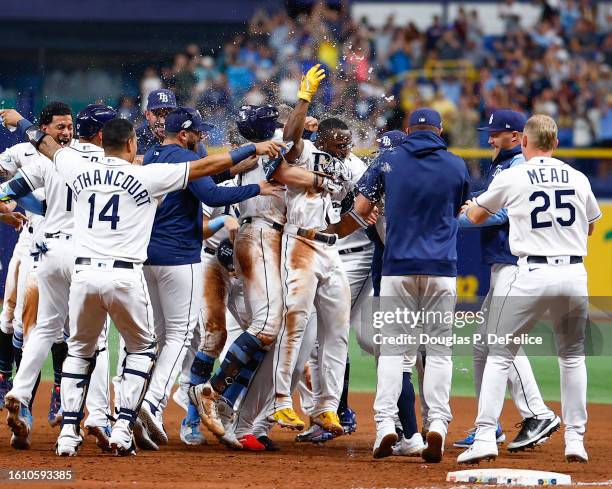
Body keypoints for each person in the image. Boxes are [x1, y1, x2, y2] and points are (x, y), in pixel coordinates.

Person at [0, 111, 284, 456]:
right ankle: (122, 427)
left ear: (104, 144)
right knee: (143, 350)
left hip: (85, 275)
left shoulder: (76, 166)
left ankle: (69, 434)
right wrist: (251, 148)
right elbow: (205, 169)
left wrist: (20, 124)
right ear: (132, 143)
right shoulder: (146, 176)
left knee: (78, 352)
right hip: (124, 275)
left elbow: (43, 143)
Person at [458, 114, 601, 464]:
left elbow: (475, 217)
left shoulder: (514, 174)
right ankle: (575, 440)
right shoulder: (578, 176)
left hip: (532, 272)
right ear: (554, 143)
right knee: (571, 358)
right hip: (572, 273)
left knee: (499, 353)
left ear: (524, 142)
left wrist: (470, 207)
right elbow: (592, 228)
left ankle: (485, 439)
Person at [134, 106, 279, 449]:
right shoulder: (190, 166)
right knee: (189, 337)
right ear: (185, 135)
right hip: (190, 257)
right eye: (199, 133)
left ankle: (133, 408)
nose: (204, 139)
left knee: (158, 338)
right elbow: (211, 195)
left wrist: (239, 164)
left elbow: (214, 172)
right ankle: (163, 407)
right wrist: (254, 191)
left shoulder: (158, 154)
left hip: (154, 256)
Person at [354, 108, 470, 461]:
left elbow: (361, 206)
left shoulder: (387, 160)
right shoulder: (456, 164)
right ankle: (437, 423)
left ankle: (386, 425)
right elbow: (461, 208)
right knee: (438, 352)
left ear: (407, 129)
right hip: (441, 268)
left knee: (393, 351)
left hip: (398, 266)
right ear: (439, 129)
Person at [2, 104, 119, 452]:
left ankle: (20, 391)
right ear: (100, 134)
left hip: (47, 252)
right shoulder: (111, 165)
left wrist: (9, 211)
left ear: (77, 130)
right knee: (92, 342)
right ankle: (94, 415)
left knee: (41, 330)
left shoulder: (49, 160)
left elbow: (8, 191)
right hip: (86, 256)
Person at [454, 109, 560, 452]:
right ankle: (491, 425)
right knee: (483, 345)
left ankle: (537, 413)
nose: (490, 138)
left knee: (502, 342)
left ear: (517, 137)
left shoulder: (517, 166)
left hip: (514, 262)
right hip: (502, 262)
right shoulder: (504, 163)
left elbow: (501, 213)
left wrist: (462, 216)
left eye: (497, 133)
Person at [0, 103, 74, 449]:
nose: (66, 132)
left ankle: (58, 389)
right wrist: (4, 211)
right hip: (32, 243)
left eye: (69, 126)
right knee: (19, 323)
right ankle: (18, 395)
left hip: (65, 246)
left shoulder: (76, 157)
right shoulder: (21, 152)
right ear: (45, 128)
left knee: (60, 328)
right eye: (60, 127)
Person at [136, 89, 177, 154]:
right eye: (157, 114)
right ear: (147, 115)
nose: (162, 121)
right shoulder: (135, 139)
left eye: (168, 114)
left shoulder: (182, 136)